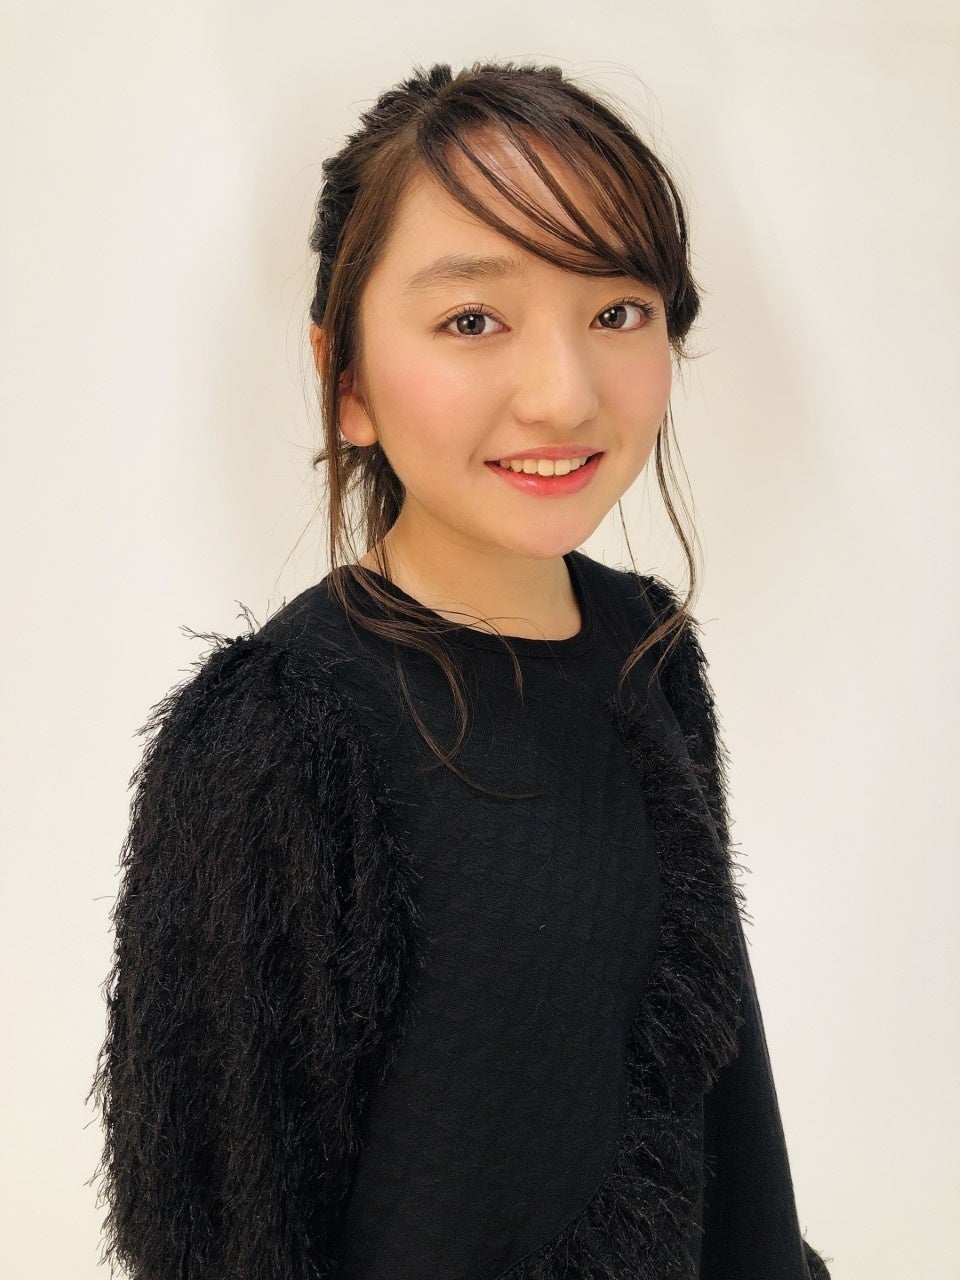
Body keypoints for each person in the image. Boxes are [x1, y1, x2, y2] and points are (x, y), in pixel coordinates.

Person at [88, 59, 833, 1280]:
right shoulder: (280, 733)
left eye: (618, 311)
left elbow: (722, 1100)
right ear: (347, 380)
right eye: (473, 319)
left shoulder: (647, 650)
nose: (564, 393)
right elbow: (216, 1224)